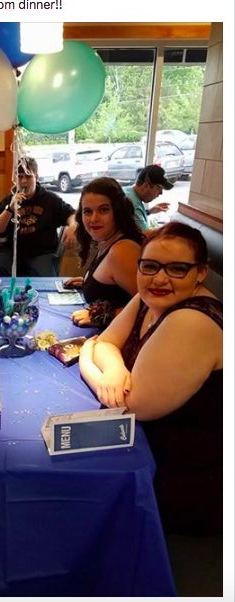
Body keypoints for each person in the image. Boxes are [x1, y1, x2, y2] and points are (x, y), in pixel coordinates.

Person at [79, 222, 222, 534]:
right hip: (147, 448)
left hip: (182, 479)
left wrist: (88, 361)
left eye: (177, 269)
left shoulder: (190, 321)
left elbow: (129, 406)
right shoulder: (150, 299)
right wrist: (114, 368)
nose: (159, 278)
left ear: (200, 272)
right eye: (150, 266)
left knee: (67, 496)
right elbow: (107, 342)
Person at [63, 177, 144, 328]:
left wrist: (99, 316)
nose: (94, 219)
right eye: (88, 211)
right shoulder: (107, 241)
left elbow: (148, 306)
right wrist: (91, 283)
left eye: (103, 210)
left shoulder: (123, 250)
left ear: (118, 211)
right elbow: (116, 285)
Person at [0, 156, 77, 277]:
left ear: (36, 177)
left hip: (42, 253)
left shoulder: (50, 199)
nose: (24, 181)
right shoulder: (9, 200)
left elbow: (72, 214)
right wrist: (10, 209)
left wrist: (73, 226)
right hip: (13, 252)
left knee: (46, 277)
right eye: (20, 177)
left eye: (28, 176)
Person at [123, 165, 173, 232]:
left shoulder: (128, 190)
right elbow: (145, 237)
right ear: (146, 185)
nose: (161, 193)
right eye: (159, 188)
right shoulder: (132, 203)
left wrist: (149, 211)